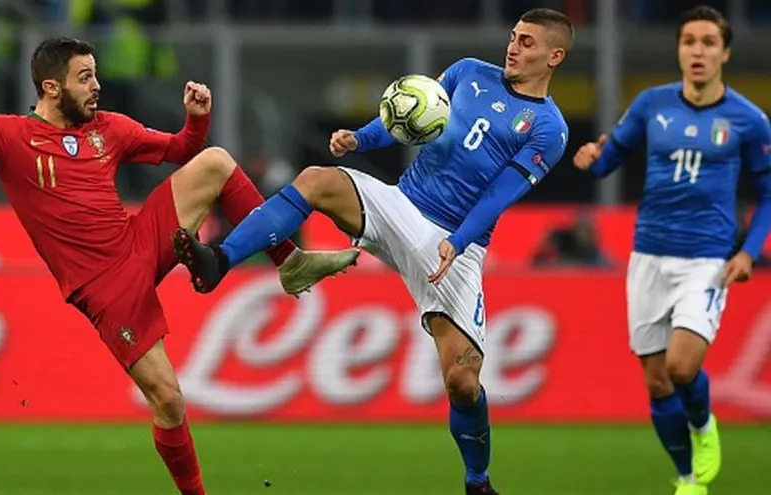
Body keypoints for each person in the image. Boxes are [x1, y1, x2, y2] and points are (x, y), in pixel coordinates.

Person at [0, 28, 359, 495]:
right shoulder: (9, 135)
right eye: (85, 77)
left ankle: (288, 260)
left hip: (137, 239)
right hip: (104, 287)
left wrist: (197, 120)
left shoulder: (109, 129)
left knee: (216, 160)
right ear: (51, 88)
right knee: (169, 401)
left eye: (95, 75)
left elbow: (181, 150)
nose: (97, 86)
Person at [174, 8, 574, 494]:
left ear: (555, 56)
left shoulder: (550, 129)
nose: (514, 47)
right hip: (400, 203)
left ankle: (477, 481)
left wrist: (458, 241)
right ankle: (219, 259)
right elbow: (407, 116)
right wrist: (360, 137)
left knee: (463, 382)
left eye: (528, 43)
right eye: (514, 37)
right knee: (316, 180)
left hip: (455, 245)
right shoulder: (468, 72)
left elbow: (501, 195)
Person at [573, 6, 771, 495]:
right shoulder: (650, 105)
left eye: (707, 42)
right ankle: (687, 480)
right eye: (688, 41)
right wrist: (592, 160)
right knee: (658, 382)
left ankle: (703, 426)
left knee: (683, 367)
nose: (697, 51)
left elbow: (768, 193)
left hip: (705, 259)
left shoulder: (749, 120)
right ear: (679, 50)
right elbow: (608, 162)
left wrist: (747, 252)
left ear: (724, 52)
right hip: (648, 256)